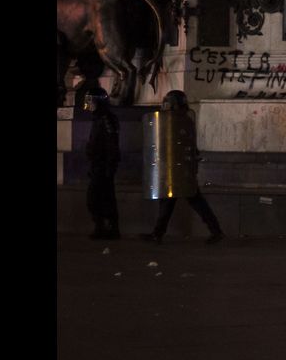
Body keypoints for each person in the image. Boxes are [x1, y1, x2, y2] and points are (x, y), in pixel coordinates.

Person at [140, 90, 224, 245]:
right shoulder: (175, 120)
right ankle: (158, 233)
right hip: (174, 167)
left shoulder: (181, 121)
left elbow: (184, 144)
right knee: (171, 201)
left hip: (181, 168)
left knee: (194, 200)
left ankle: (216, 231)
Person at [84, 86, 121, 240]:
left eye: (90, 100)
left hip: (104, 164)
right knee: (99, 197)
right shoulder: (98, 118)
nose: (89, 104)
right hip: (97, 163)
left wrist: (109, 166)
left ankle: (108, 227)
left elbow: (111, 143)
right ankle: (103, 227)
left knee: (100, 197)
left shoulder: (106, 119)